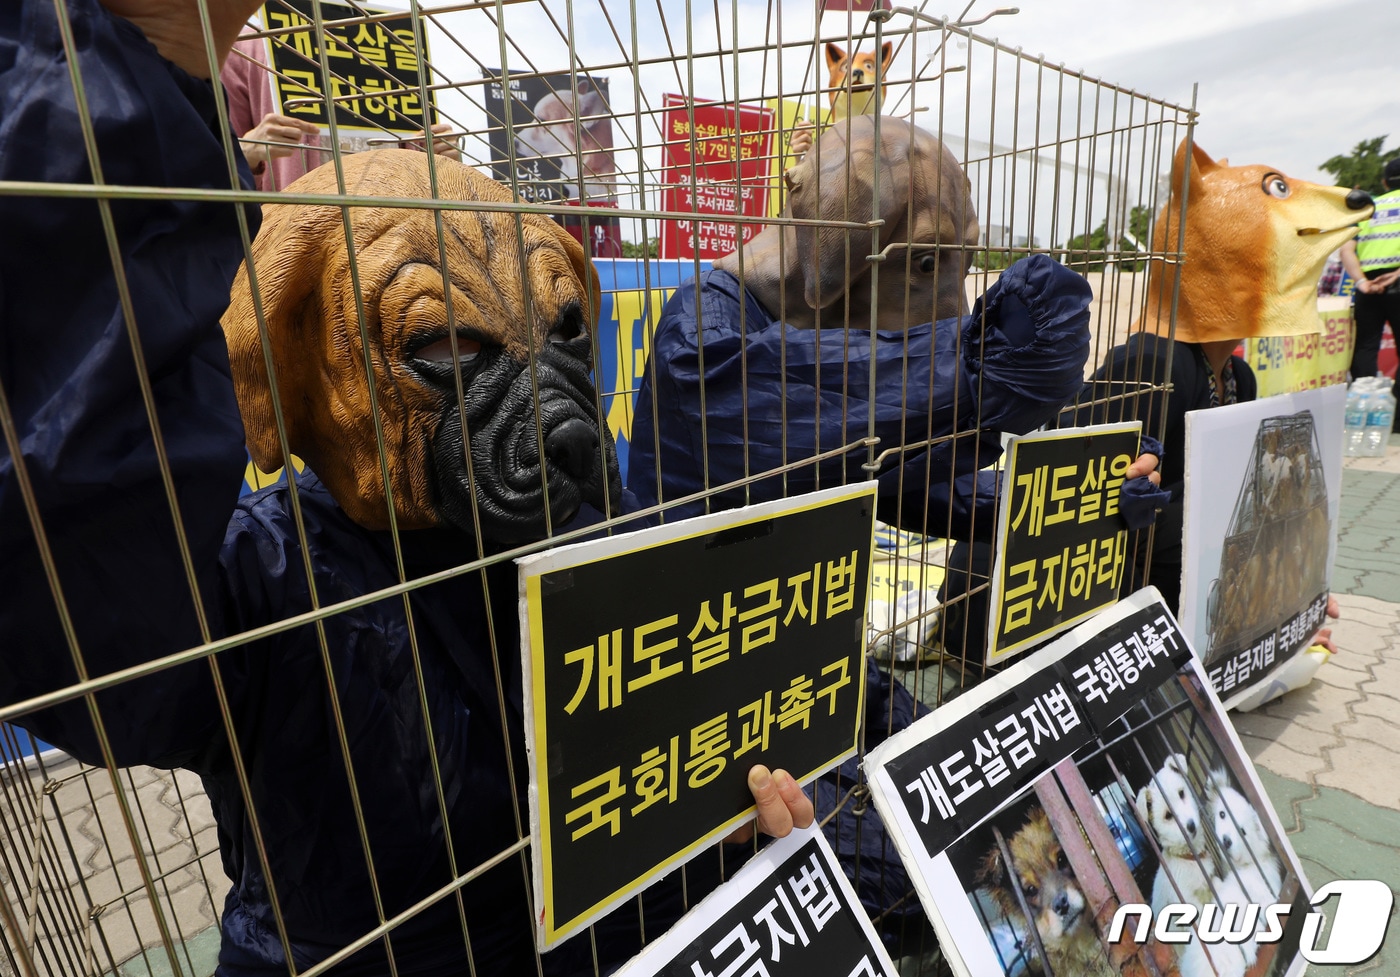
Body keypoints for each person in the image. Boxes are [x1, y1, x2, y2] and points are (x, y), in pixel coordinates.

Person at [0, 2, 811, 975]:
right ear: (282, 353)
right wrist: (151, 59)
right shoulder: (268, 571)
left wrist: (704, 826)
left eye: (559, 337)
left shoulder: (587, 538)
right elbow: (86, 574)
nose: (556, 417)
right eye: (440, 348)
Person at [221, 28, 461, 192]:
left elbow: (417, 144)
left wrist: (444, 157)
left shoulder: (391, 40)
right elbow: (214, 165)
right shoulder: (247, 46)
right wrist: (248, 149)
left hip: (395, 225)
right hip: (298, 238)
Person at [1340, 156, 1400, 429]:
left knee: (1365, 346)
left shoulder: (1370, 208)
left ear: (1385, 182)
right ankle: (1396, 420)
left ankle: (1362, 416)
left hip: (1368, 284)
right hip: (1396, 277)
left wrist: (1362, 282)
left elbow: (1346, 249)